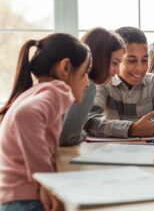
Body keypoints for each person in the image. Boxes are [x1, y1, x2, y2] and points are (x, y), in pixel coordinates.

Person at [0, 33, 91, 211]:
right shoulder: (54, 91)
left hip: (14, 197)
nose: (87, 83)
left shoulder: (37, 92)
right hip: (25, 200)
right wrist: (46, 182)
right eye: (85, 72)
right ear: (65, 68)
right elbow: (25, 116)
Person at [84, 27, 154, 138]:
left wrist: (117, 127)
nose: (140, 68)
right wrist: (132, 129)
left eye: (144, 60)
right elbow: (89, 122)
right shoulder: (103, 82)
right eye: (131, 61)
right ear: (118, 59)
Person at [59, 27, 125, 146]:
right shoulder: (87, 86)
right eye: (115, 63)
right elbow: (68, 137)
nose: (118, 71)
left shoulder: (68, 80)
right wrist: (84, 134)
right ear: (99, 57)